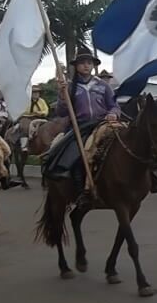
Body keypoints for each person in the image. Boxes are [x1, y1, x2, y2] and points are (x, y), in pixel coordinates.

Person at [43, 47, 121, 207]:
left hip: (103, 124)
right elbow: (61, 112)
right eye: (82, 63)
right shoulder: (70, 87)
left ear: (93, 65)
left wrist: (113, 113)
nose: (86, 66)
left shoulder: (103, 86)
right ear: (76, 66)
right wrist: (63, 97)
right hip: (80, 128)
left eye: (89, 63)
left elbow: (114, 105)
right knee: (77, 154)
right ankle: (80, 192)